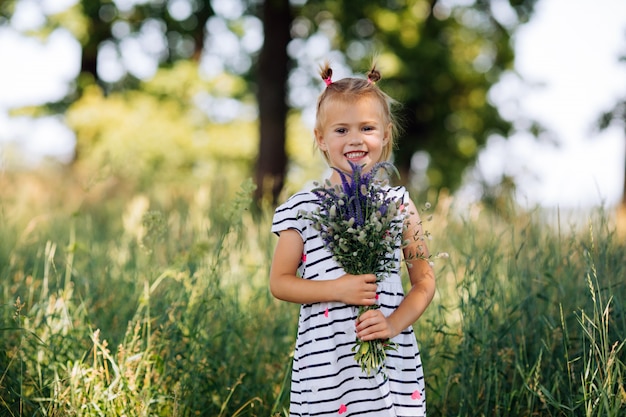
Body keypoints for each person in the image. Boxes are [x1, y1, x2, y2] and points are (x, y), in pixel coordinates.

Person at [270, 62, 436, 417]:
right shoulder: (301, 208)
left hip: (391, 367)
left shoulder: (400, 204)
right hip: (327, 369)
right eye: (341, 129)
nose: (355, 139)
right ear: (321, 138)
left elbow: (424, 281)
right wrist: (338, 288)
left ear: (385, 134)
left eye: (367, 128)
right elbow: (280, 282)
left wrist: (393, 324)